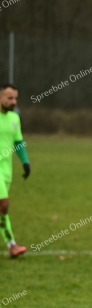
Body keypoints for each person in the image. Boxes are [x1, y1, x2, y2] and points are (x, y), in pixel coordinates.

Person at [0, 84, 30, 258]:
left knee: (1, 209)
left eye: (15, 98)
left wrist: (25, 162)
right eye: (9, 98)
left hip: (6, 169)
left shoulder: (14, 118)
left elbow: (18, 142)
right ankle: (12, 244)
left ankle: (12, 245)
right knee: (3, 204)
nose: (14, 102)